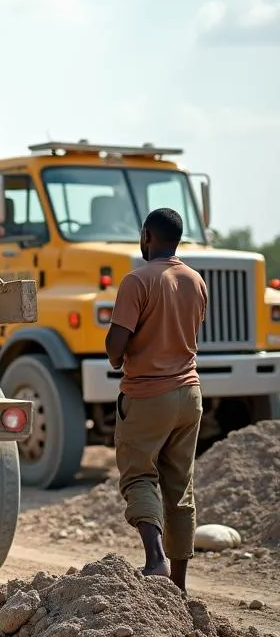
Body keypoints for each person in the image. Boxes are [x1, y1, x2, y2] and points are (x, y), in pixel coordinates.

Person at [106, 207, 207, 593]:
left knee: (139, 474)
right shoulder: (195, 280)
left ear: (146, 235)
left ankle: (155, 560)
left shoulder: (137, 281)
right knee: (180, 486)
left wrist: (120, 350)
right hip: (190, 395)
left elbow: (116, 349)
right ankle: (178, 587)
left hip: (150, 394)